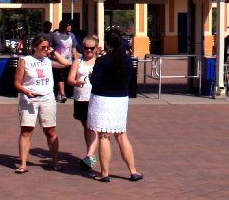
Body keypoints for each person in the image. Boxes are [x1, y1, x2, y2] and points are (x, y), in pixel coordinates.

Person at [88, 29, 142, 182]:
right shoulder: (127, 59)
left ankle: (104, 173)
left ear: (106, 43)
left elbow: (95, 82)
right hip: (120, 99)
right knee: (122, 135)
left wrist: (91, 76)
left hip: (103, 99)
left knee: (104, 135)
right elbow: (129, 77)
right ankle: (133, 171)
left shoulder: (102, 61)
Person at [14, 35, 70, 173]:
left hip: (47, 98)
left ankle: (55, 162)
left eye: (47, 47)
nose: (45, 50)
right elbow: (16, 82)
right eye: (42, 47)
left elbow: (66, 63)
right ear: (35, 47)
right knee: (26, 131)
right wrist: (26, 91)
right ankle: (23, 164)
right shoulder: (25, 61)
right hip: (29, 99)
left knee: (50, 130)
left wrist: (53, 52)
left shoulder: (48, 61)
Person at [68, 35, 100, 170]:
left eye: (91, 49)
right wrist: (76, 82)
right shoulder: (78, 61)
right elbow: (70, 79)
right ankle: (90, 154)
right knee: (86, 126)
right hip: (81, 98)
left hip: (95, 98)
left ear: (96, 49)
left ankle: (90, 156)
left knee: (92, 127)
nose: (88, 51)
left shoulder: (100, 62)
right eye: (86, 48)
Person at [50, 19, 75, 103]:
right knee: (60, 76)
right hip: (58, 60)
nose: (70, 27)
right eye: (69, 25)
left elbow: (74, 48)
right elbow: (50, 47)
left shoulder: (72, 35)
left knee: (67, 77)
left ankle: (64, 93)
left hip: (69, 60)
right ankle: (62, 93)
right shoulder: (55, 35)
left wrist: (75, 59)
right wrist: (52, 56)